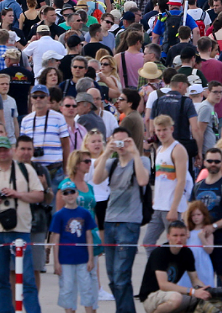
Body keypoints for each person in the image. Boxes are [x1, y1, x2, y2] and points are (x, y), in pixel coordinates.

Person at [0, 134, 46, 313]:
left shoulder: (26, 170)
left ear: (12, 150)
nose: (3, 154)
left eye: (5, 150)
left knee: (28, 279)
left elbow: (40, 195)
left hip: (20, 230)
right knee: (0, 280)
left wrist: (17, 194)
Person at [92, 127, 148, 313]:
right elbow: (96, 178)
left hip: (129, 223)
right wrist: (107, 151)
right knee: (113, 277)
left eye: (125, 141)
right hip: (110, 221)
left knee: (122, 274)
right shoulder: (111, 163)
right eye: (118, 142)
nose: (121, 146)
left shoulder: (143, 161)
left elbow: (142, 181)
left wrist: (135, 154)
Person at [190, 146, 222, 294]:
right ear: (204, 162)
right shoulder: (198, 186)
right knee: (200, 278)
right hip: (199, 241)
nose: (213, 164)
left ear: (221, 163)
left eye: (216, 161)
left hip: (221, 240)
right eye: (210, 161)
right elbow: (190, 210)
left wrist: (214, 226)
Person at [136, 219, 211, 313]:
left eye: (182, 235)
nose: (179, 240)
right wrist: (193, 292)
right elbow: (163, 285)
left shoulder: (187, 252)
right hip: (152, 297)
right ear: (168, 237)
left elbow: (195, 279)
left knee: (203, 300)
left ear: (187, 235)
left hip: (170, 294)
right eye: (175, 235)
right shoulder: (160, 253)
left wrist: (206, 290)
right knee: (176, 298)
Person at [142, 115, 191, 246]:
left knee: (176, 242)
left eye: (164, 130)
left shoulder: (178, 150)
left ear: (171, 129)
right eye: (158, 130)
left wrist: (174, 208)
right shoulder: (159, 149)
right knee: (148, 242)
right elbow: (159, 178)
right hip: (158, 205)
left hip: (171, 205)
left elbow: (182, 181)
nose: (161, 133)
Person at [52, 177, 98, 313]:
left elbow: (89, 236)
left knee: (87, 288)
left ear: (77, 193)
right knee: (67, 289)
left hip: (83, 259)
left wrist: (90, 258)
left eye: (72, 192)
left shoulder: (85, 213)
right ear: (62, 196)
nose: (69, 195)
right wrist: (56, 262)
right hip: (65, 259)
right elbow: (56, 239)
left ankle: (89, 310)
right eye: (66, 193)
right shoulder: (59, 215)